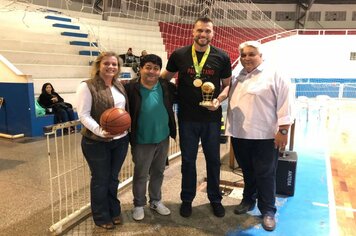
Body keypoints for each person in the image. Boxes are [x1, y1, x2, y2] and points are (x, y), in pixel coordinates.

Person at [161, 17, 231, 218]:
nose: (203, 35)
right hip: (187, 118)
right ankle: (187, 199)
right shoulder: (179, 55)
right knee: (188, 161)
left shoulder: (222, 56)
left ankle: (215, 199)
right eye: (200, 30)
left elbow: (227, 84)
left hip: (211, 118)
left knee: (213, 161)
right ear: (193, 32)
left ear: (213, 33)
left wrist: (219, 99)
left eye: (207, 31)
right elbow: (165, 78)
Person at [225, 41, 293, 231]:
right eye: (243, 54)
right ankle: (248, 200)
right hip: (240, 134)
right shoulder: (239, 76)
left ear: (261, 56)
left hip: (265, 136)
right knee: (247, 171)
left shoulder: (274, 74)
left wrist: (283, 130)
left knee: (265, 174)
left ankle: (268, 210)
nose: (246, 58)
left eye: (251, 54)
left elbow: (285, 104)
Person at [76, 51, 129, 230]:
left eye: (114, 64)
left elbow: (122, 112)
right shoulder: (87, 86)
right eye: (107, 63)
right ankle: (100, 215)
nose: (110, 67)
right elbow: (83, 115)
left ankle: (114, 210)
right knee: (100, 179)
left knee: (113, 178)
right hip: (95, 142)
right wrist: (100, 131)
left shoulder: (119, 85)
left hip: (121, 140)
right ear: (99, 65)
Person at [125, 54, 177, 221]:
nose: (152, 71)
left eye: (155, 68)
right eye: (148, 67)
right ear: (140, 68)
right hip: (142, 139)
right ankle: (139, 204)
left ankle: (155, 201)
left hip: (162, 137)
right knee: (141, 174)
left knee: (158, 172)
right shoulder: (130, 88)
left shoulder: (165, 86)